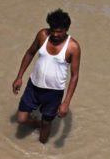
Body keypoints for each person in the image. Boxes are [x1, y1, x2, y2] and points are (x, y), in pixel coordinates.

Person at [12, 8, 81, 144]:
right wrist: (19, 77)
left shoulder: (73, 47)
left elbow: (74, 76)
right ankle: (35, 123)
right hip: (33, 86)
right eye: (53, 30)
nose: (55, 34)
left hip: (53, 93)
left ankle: (41, 150)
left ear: (66, 29)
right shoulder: (43, 35)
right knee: (21, 119)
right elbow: (30, 53)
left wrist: (66, 102)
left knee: (46, 123)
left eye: (59, 31)